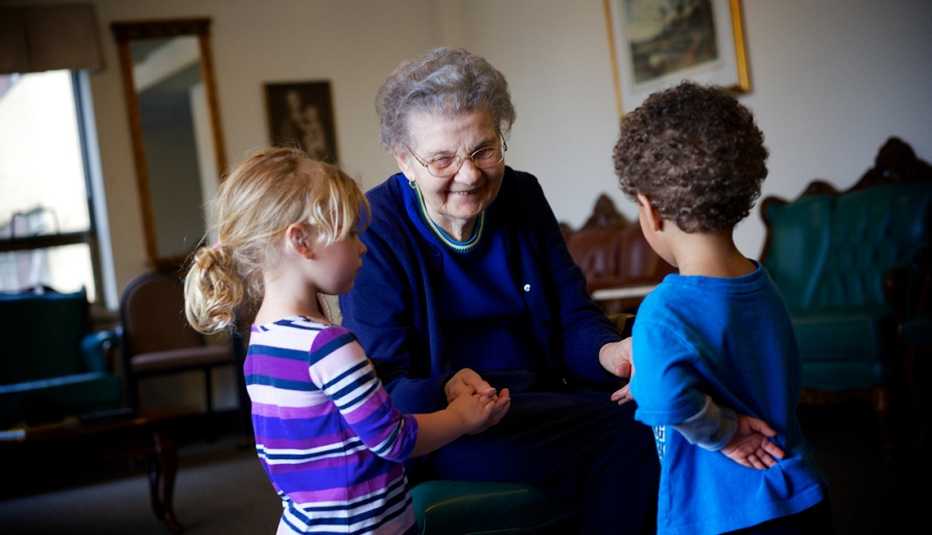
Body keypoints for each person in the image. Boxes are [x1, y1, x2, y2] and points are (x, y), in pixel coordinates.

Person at [339, 48, 659, 533]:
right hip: (449, 428)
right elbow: (383, 383)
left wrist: (609, 352)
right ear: (405, 160)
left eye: (483, 150)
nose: (469, 175)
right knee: (629, 439)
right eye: (442, 159)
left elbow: (572, 317)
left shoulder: (522, 195)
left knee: (664, 406)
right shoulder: (375, 226)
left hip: (545, 400)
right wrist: (445, 387)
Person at [183, 147, 509, 535]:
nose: (362, 245)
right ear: (301, 241)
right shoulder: (327, 346)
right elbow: (394, 439)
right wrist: (462, 418)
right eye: (350, 232)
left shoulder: (263, 341)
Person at [610, 81, 831, 534]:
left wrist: (726, 433)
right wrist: (653, 371)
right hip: (797, 491)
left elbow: (667, 397)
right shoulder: (762, 283)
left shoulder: (662, 309)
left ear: (650, 211)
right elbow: (725, 363)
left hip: (723, 515)